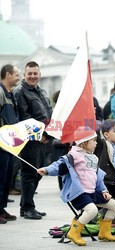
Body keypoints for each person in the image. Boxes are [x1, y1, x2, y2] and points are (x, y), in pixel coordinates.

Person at [37, 126, 115, 246]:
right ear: (84, 142)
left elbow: (98, 177)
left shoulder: (94, 157)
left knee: (114, 205)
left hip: (92, 192)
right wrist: (46, 169)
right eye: (93, 141)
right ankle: (74, 232)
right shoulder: (73, 155)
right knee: (92, 210)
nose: (96, 143)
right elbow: (58, 165)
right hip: (79, 193)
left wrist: (104, 190)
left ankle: (104, 232)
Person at [14, 61, 52, 220]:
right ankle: (28, 207)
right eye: (29, 73)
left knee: (39, 172)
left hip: (44, 139)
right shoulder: (20, 92)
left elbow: (49, 114)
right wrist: (39, 134)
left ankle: (25, 205)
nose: (32, 76)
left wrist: (49, 135)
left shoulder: (42, 91)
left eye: (35, 73)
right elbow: (25, 117)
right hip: (30, 140)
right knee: (29, 173)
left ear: (40, 74)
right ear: (24, 75)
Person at [0, 64, 20, 224]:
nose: (18, 78)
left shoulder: (10, 94)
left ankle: (1, 208)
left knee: (6, 178)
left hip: (8, 144)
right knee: (0, 178)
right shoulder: (0, 92)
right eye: (16, 75)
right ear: (7, 75)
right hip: (1, 143)